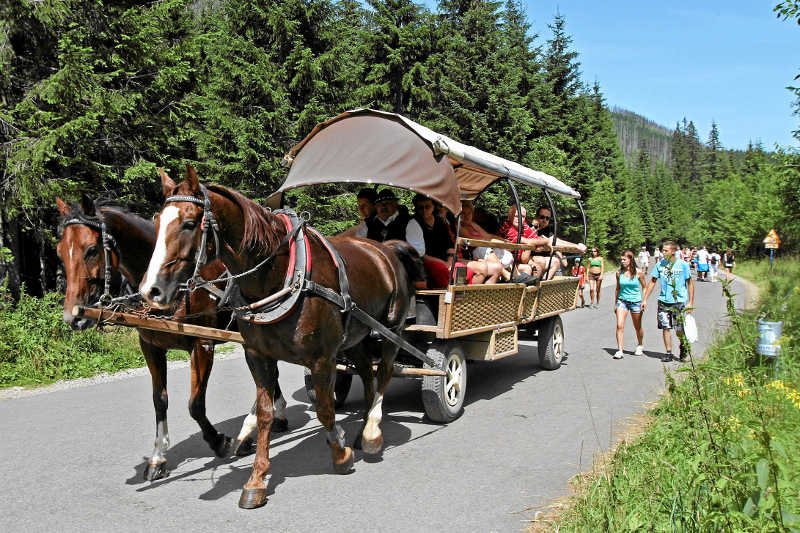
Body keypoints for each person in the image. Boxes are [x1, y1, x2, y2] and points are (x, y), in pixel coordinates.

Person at [642, 240, 695, 362]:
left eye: (665, 250)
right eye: (662, 250)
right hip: (663, 301)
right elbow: (652, 282)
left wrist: (690, 302)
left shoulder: (683, 265)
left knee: (679, 329)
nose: (662, 252)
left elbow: (690, 284)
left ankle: (683, 345)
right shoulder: (659, 265)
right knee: (666, 327)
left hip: (679, 301)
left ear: (673, 251)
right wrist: (644, 299)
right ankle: (669, 352)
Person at [359, 189, 425, 256]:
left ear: (395, 204)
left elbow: (419, 250)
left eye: (387, 203)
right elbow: (358, 247)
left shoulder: (409, 222)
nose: (383, 207)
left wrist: (395, 251)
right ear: (376, 207)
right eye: (380, 204)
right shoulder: (367, 224)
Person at [412, 193, 453, 288]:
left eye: (427, 206)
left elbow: (450, 245)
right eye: (420, 207)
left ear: (433, 207)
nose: (424, 210)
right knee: (441, 270)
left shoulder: (440, 222)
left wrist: (450, 262)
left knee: (462, 269)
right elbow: (420, 253)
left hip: (445, 259)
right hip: (425, 261)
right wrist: (444, 264)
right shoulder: (414, 223)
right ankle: (446, 299)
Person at [612, 250, 645, 359]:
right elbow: (617, 288)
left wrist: (644, 300)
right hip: (622, 301)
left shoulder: (638, 272)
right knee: (619, 325)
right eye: (621, 259)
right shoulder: (618, 273)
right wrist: (615, 303)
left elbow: (645, 287)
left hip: (636, 302)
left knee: (637, 326)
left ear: (630, 260)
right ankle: (620, 350)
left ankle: (640, 345)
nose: (622, 261)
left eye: (624, 259)